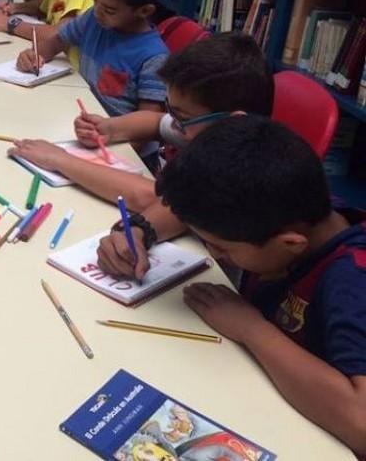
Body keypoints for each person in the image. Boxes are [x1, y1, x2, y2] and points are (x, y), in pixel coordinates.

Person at [155, 117, 366, 455]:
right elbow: (196, 209)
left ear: (290, 244)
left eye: (224, 248)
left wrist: (250, 328)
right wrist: (141, 229)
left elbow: (361, 424)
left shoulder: (351, 285)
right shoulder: (291, 205)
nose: (216, 255)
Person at [11, 33, 274, 247]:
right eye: (170, 108)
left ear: (234, 121)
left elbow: (149, 197)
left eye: (181, 116)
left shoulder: (234, 166)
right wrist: (109, 129)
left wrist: (61, 160)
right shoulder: (206, 128)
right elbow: (155, 121)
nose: (174, 121)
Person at [15, 0, 169, 113]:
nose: (97, 11)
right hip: (80, 115)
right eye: (95, 0)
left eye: (109, 10)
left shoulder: (154, 58)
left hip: (113, 136)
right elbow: (57, 41)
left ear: (144, 11)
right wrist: (34, 55)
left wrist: (107, 129)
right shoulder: (93, 19)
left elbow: (148, 123)